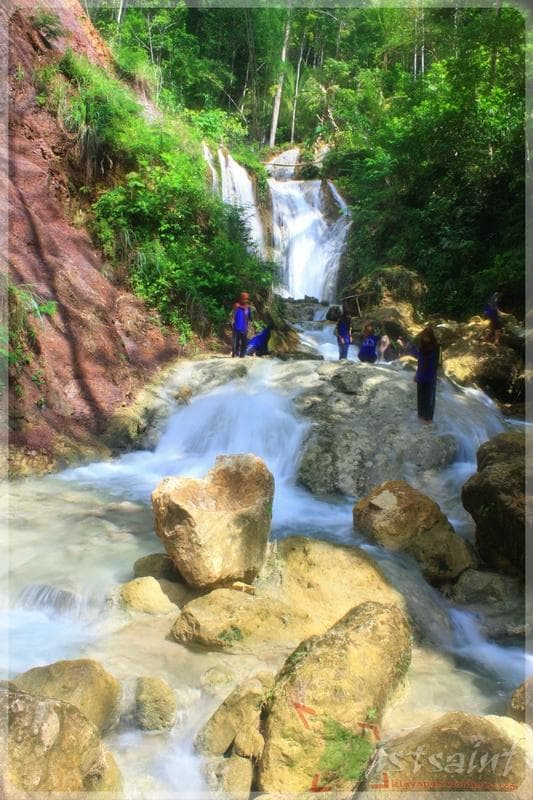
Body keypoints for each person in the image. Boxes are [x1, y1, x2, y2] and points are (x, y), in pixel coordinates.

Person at [413, 326, 440, 423]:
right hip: (421, 375)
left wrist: (437, 376)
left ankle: (428, 418)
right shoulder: (421, 348)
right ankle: (421, 415)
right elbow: (420, 362)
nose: (425, 339)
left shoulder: (436, 348)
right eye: (424, 337)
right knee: (420, 397)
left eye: (427, 337)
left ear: (431, 337)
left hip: (430, 376)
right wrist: (416, 374)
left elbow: (438, 363)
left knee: (430, 398)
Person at [231, 291, 252, 358]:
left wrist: (248, 328)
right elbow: (232, 315)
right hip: (236, 328)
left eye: (247, 299)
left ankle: (242, 356)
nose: (246, 300)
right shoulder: (236, 306)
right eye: (244, 299)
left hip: (244, 329)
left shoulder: (248, 308)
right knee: (235, 344)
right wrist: (231, 323)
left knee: (244, 344)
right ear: (240, 299)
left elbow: (249, 319)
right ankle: (235, 355)